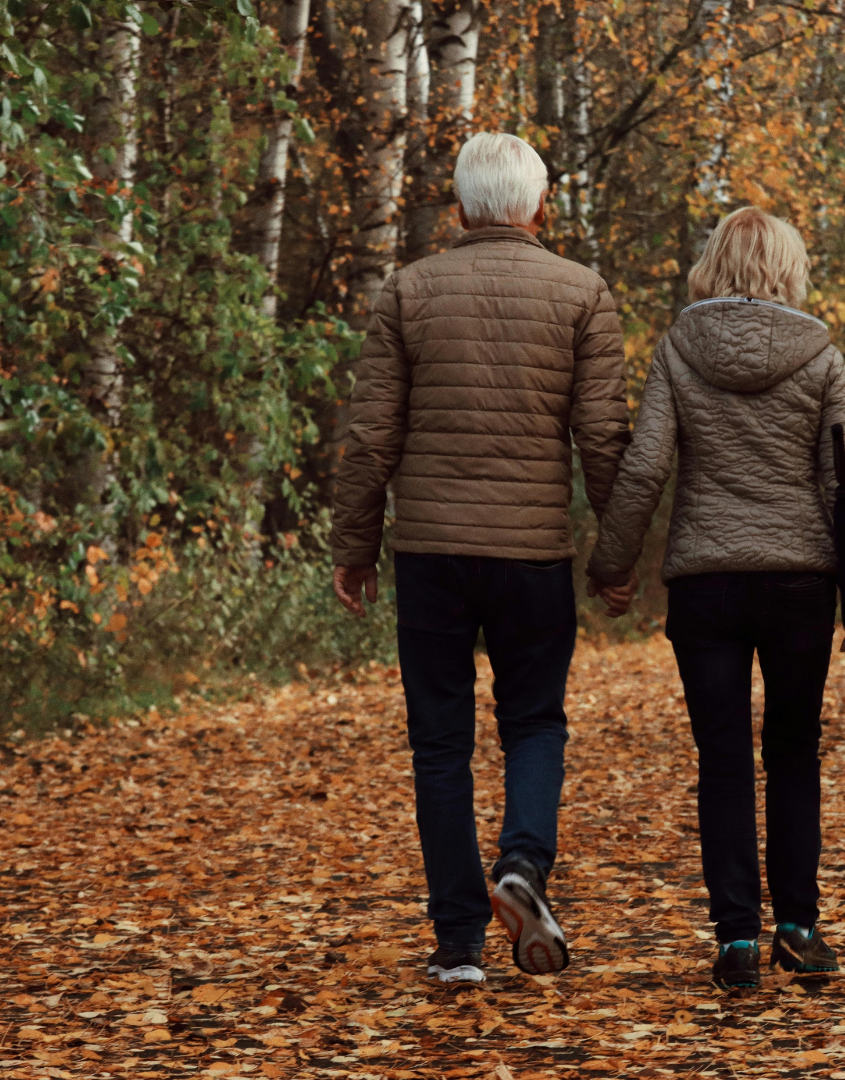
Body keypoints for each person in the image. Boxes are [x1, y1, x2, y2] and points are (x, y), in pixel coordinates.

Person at [330, 132, 637, 984]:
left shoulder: (410, 290)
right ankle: (522, 866)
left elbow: (371, 436)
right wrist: (615, 556)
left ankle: (459, 943)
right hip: (531, 552)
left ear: (462, 211)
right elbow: (605, 439)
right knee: (534, 721)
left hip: (430, 552)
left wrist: (354, 546)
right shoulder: (583, 293)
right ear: (540, 209)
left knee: (441, 743)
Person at [586, 207, 845, 991]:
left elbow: (647, 466)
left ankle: (737, 942)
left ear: (714, 265)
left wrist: (611, 565)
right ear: (788, 270)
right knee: (791, 751)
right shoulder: (820, 357)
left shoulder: (679, 351)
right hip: (799, 584)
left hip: (706, 584)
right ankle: (798, 925)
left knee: (722, 760)